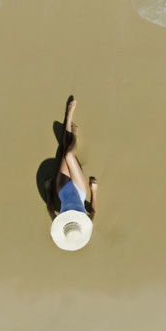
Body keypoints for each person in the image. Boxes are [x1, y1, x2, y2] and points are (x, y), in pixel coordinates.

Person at [46, 97, 98, 250]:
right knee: (69, 155)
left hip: (62, 190)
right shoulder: (87, 222)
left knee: (64, 151)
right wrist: (94, 191)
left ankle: (68, 118)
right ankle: (73, 132)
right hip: (80, 189)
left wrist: (49, 190)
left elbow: (50, 208)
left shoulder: (59, 221)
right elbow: (94, 209)